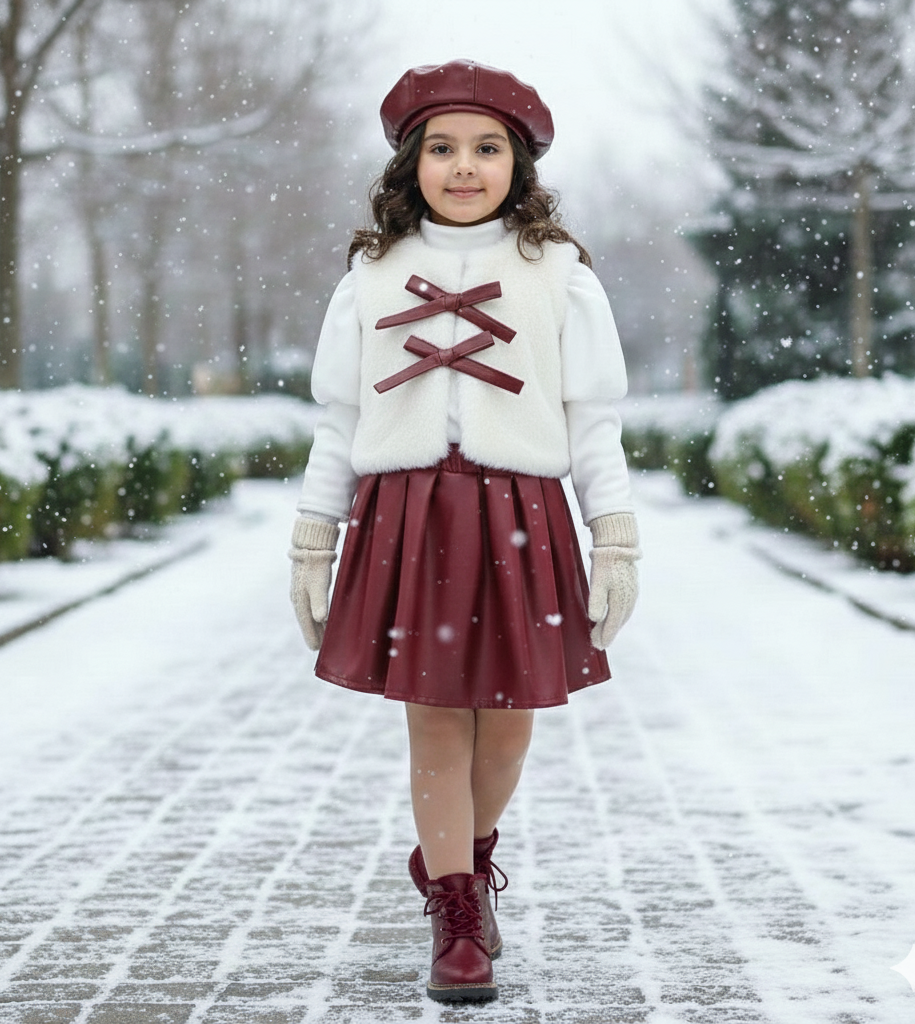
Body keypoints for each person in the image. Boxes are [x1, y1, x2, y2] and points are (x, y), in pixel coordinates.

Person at [288, 59, 640, 1003]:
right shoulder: (369, 276)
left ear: (520, 167)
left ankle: (467, 856)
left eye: (488, 148)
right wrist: (313, 540)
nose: (464, 166)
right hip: (405, 517)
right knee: (436, 724)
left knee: (511, 727)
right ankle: (456, 914)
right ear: (412, 164)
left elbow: (592, 416)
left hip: (520, 513)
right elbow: (336, 417)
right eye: (441, 147)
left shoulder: (558, 274)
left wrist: (615, 535)